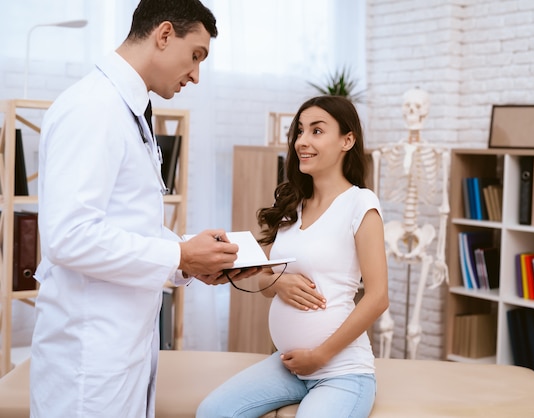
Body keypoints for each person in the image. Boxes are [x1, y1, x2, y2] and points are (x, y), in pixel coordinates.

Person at [30, 1, 257, 417]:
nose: (196, 74)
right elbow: (69, 237)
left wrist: (189, 260)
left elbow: (129, 223)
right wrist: (180, 255)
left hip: (122, 350)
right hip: (89, 361)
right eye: (196, 56)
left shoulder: (128, 109)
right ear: (165, 34)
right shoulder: (93, 108)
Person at [196, 95, 389, 418]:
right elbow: (265, 277)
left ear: (347, 140)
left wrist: (320, 356)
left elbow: (378, 297)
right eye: (299, 131)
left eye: (316, 131)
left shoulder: (360, 204)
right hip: (289, 365)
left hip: (339, 370)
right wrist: (280, 282)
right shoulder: (294, 205)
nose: (302, 141)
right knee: (212, 412)